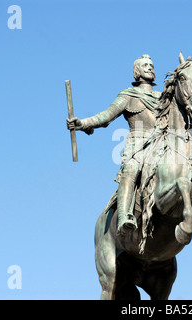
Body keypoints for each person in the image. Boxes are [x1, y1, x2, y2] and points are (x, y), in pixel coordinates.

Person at [67, 54, 161, 236]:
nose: (150, 67)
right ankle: (124, 217)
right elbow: (106, 116)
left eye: (151, 65)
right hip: (138, 145)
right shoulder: (128, 95)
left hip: (161, 143)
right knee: (131, 170)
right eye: (145, 65)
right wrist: (83, 123)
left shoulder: (163, 96)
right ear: (137, 71)